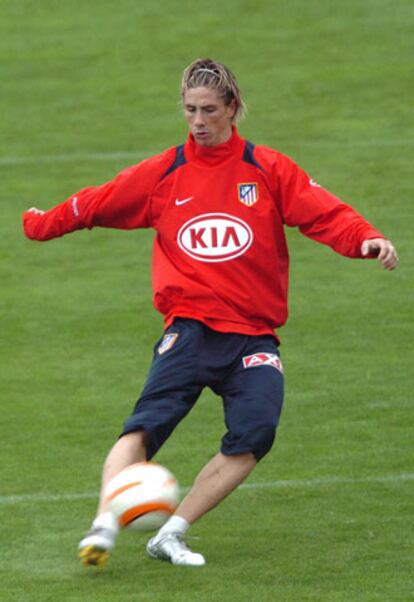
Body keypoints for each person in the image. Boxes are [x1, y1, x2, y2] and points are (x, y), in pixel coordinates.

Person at [23, 58, 398, 569]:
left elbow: (324, 212)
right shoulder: (165, 172)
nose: (198, 121)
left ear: (233, 110)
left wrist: (365, 239)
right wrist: (42, 224)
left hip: (253, 335)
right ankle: (104, 526)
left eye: (208, 110)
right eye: (190, 110)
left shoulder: (267, 170)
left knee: (256, 433)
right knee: (143, 428)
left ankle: (171, 534)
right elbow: (99, 202)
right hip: (191, 326)